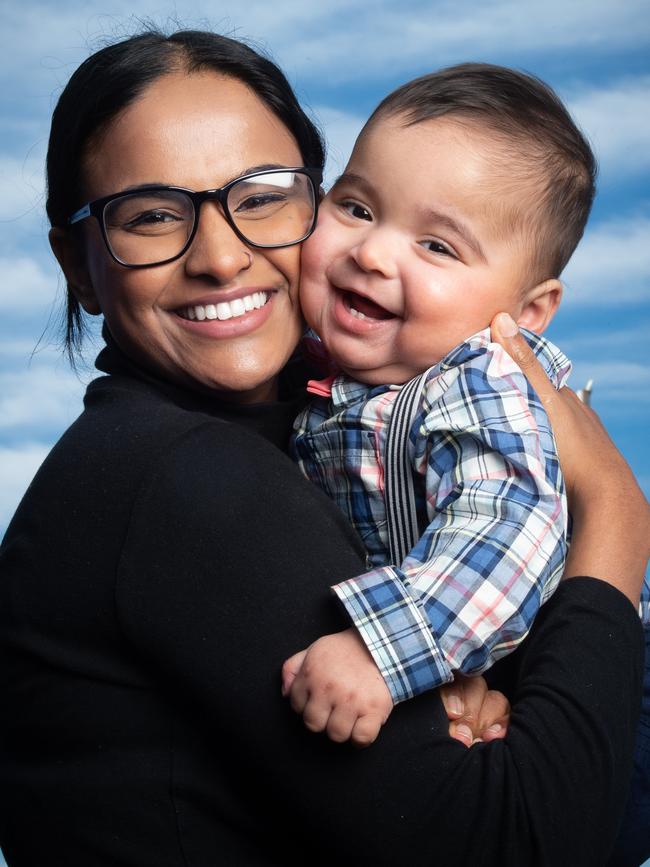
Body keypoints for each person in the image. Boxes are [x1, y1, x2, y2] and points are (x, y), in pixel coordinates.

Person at [0, 30, 647, 867]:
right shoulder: (184, 473)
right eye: (154, 215)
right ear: (78, 268)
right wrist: (618, 519)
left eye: (263, 196)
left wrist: (474, 682)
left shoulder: (313, 428)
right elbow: (525, 843)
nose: (223, 255)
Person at [284, 64, 650, 749]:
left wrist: (379, 650)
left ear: (528, 312)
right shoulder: (321, 374)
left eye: (436, 245)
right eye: (358, 207)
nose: (372, 252)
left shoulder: (475, 381)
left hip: (610, 697)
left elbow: (507, 529)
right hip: (475, 664)